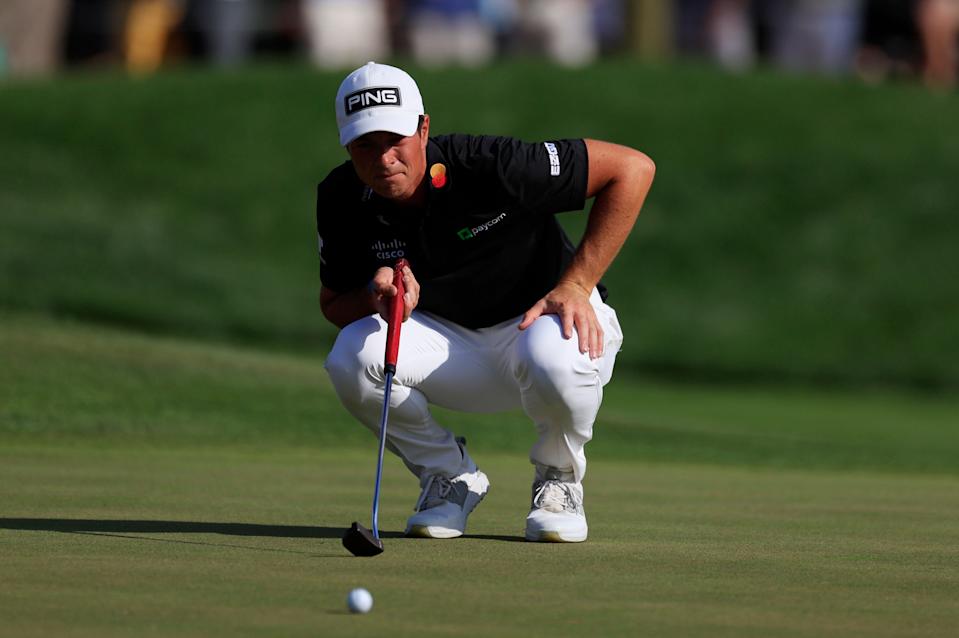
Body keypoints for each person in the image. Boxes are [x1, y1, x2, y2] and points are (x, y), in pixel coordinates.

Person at [316, 62, 655, 543]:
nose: (384, 158)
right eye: (365, 145)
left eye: (395, 139)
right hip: (454, 352)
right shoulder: (340, 198)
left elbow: (632, 169)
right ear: (347, 145)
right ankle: (450, 477)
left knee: (553, 355)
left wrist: (578, 284)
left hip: (545, 328)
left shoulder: (489, 164)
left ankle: (559, 479)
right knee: (352, 355)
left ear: (423, 128)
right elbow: (333, 305)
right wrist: (375, 298)